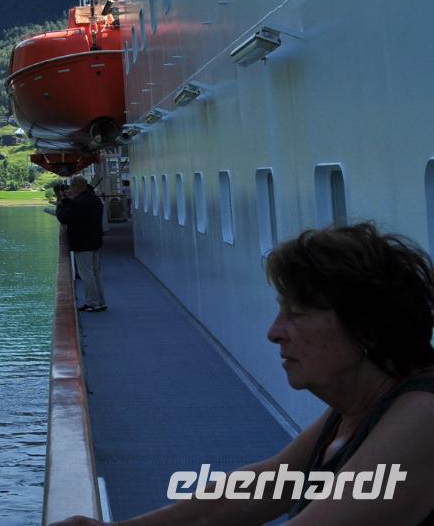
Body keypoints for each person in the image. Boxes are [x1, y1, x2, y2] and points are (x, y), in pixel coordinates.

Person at [55, 222, 434, 525]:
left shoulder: (423, 417)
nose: (274, 332)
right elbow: (265, 488)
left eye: (297, 314)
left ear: (364, 327)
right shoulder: (357, 407)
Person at [58, 174, 106, 311]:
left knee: (86, 275)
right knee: (95, 273)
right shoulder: (95, 199)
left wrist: (60, 206)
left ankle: (92, 303)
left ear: (77, 186)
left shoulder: (79, 202)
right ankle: (102, 302)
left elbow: (65, 218)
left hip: (82, 243)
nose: (70, 189)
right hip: (95, 241)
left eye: (72, 186)